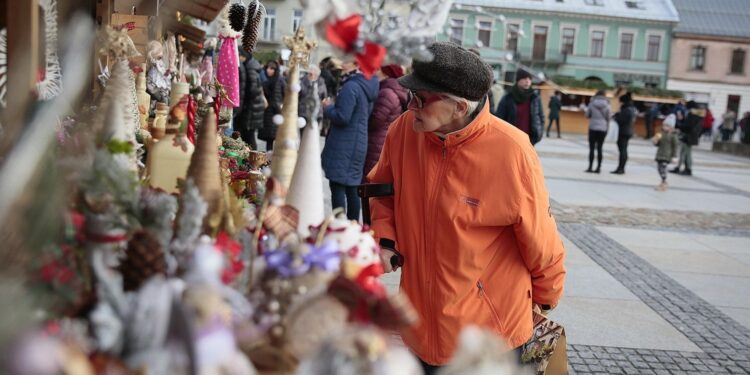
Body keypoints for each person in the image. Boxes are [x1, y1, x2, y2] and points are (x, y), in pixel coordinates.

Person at [367, 42, 566, 374]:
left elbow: (541, 241)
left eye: (420, 99)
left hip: (487, 337)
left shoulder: (512, 151)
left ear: (458, 107)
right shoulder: (403, 131)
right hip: (419, 324)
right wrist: (385, 241)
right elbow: (381, 190)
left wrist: (546, 297)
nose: (409, 104)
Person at [322, 59, 379, 221]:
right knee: (352, 187)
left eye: (345, 60)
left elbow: (342, 116)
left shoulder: (351, 86)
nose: (341, 63)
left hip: (344, 143)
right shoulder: (367, 84)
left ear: (356, 65)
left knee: (338, 185)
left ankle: (339, 225)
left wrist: (327, 108)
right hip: (358, 141)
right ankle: (353, 225)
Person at [364, 64, 409, 180]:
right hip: (380, 139)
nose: (375, 71)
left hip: (376, 141)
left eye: (378, 69)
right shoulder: (391, 90)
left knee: (368, 178)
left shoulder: (387, 93)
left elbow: (376, 120)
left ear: (386, 73)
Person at [496, 68, 545, 145]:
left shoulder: (535, 98)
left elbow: (541, 117)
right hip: (511, 139)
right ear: (518, 80)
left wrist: (539, 133)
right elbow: (499, 118)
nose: (527, 81)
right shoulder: (508, 97)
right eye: (525, 78)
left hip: (529, 140)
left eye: (529, 79)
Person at [233, 50, 265, 150]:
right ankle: (250, 160)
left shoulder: (250, 68)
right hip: (252, 108)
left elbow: (252, 90)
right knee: (247, 136)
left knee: (249, 136)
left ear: (244, 56)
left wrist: (244, 102)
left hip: (251, 109)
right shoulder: (250, 65)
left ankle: (253, 160)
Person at [670, 100, 704, 176]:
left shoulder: (692, 114)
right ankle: (685, 168)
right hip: (692, 136)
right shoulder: (698, 114)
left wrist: (679, 126)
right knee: (686, 153)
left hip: (688, 136)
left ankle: (685, 168)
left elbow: (688, 126)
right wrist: (682, 120)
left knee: (684, 153)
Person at [258, 60, 285, 151]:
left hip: (274, 112)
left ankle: (271, 160)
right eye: (268, 68)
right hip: (269, 112)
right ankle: (269, 160)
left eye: (272, 69)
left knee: (273, 138)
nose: (269, 70)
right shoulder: (267, 81)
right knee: (270, 139)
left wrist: (280, 109)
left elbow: (278, 98)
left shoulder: (277, 81)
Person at [610, 92, 637, 174]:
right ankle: (621, 167)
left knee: (623, 151)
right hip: (628, 131)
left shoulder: (626, 109)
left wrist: (616, 117)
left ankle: (621, 168)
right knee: (623, 150)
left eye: (620, 102)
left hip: (623, 132)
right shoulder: (631, 108)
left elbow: (622, 120)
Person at [585, 90, 611, 173]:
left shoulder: (592, 103)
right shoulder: (607, 105)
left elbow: (587, 115)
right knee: (600, 148)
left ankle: (590, 167)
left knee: (592, 148)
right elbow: (609, 117)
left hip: (593, 127)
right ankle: (598, 168)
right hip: (603, 129)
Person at [654, 114, 678, 191]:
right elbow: (658, 144)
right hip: (660, 154)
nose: (664, 127)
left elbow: (675, 147)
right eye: (664, 125)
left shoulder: (673, 136)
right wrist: (656, 141)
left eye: (667, 126)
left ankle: (664, 182)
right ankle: (663, 181)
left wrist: (674, 156)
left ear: (671, 127)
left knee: (663, 168)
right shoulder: (662, 134)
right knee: (659, 168)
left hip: (667, 155)